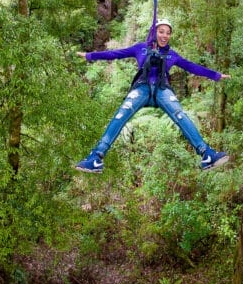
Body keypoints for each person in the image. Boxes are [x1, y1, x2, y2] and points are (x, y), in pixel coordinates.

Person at [75, 19, 231, 173]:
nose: (165, 36)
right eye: (161, 32)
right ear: (154, 32)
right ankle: (96, 157)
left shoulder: (171, 55)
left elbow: (192, 67)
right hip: (142, 88)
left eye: (168, 33)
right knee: (121, 114)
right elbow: (115, 54)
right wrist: (90, 56)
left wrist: (216, 75)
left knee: (180, 114)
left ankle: (206, 154)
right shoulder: (141, 48)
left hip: (162, 89)